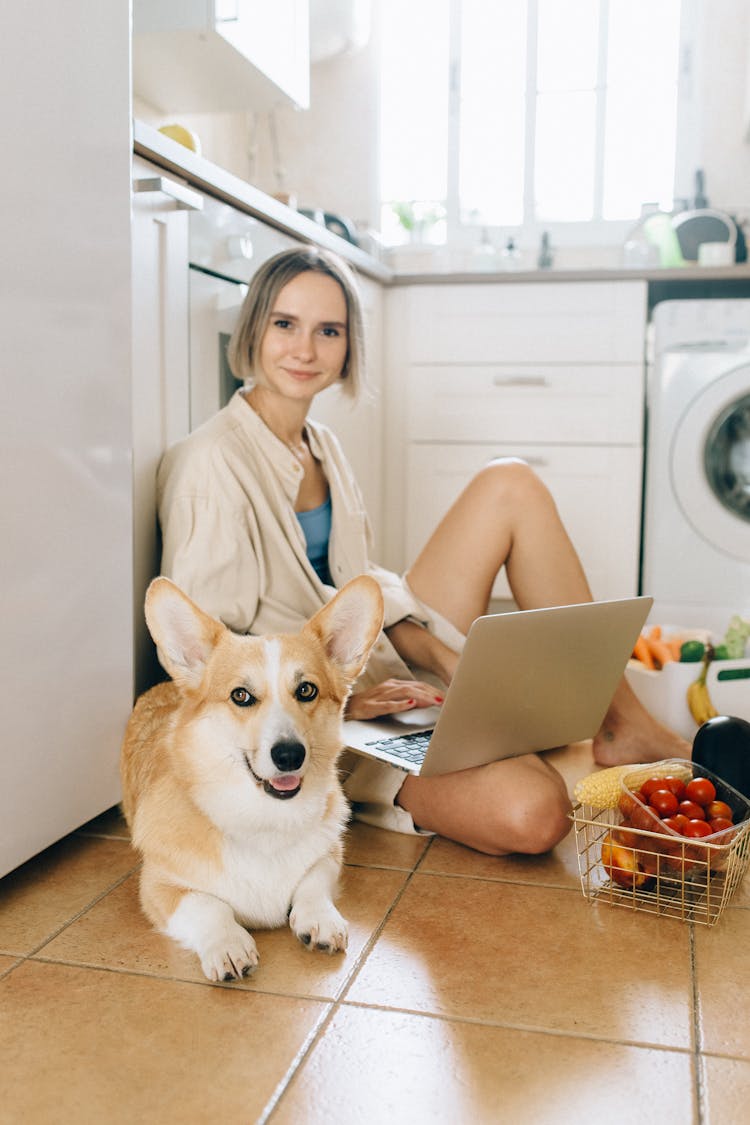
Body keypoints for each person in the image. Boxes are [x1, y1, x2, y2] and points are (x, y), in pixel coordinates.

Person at [157, 246, 689, 856]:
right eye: (285, 324)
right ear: (254, 328)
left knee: (511, 483)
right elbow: (215, 666)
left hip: (373, 663)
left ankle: (622, 723)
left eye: (327, 330)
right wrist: (346, 696)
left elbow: (360, 581)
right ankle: (450, 747)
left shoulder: (321, 444)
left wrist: (441, 657)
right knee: (536, 811)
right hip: (316, 721)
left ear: (348, 346)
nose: (305, 349)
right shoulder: (209, 465)